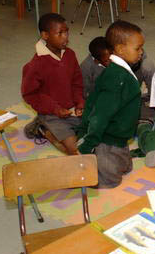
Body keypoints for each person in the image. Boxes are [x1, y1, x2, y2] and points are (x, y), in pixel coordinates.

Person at [77, 20, 145, 188]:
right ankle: (83, 167)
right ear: (121, 49)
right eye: (137, 48)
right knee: (110, 181)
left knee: (126, 168)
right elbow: (100, 115)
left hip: (120, 136)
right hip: (105, 137)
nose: (141, 52)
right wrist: (88, 144)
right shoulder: (116, 78)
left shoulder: (123, 72)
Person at [21, 13, 84, 155]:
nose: (65, 37)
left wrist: (79, 102)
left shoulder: (70, 55)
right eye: (60, 33)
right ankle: (44, 130)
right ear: (45, 35)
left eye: (66, 32)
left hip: (72, 110)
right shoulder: (35, 65)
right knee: (75, 150)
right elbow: (30, 95)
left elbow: (77, 82)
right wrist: (55, 109)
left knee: (95, 134)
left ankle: (50, 129)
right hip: (51, 113)